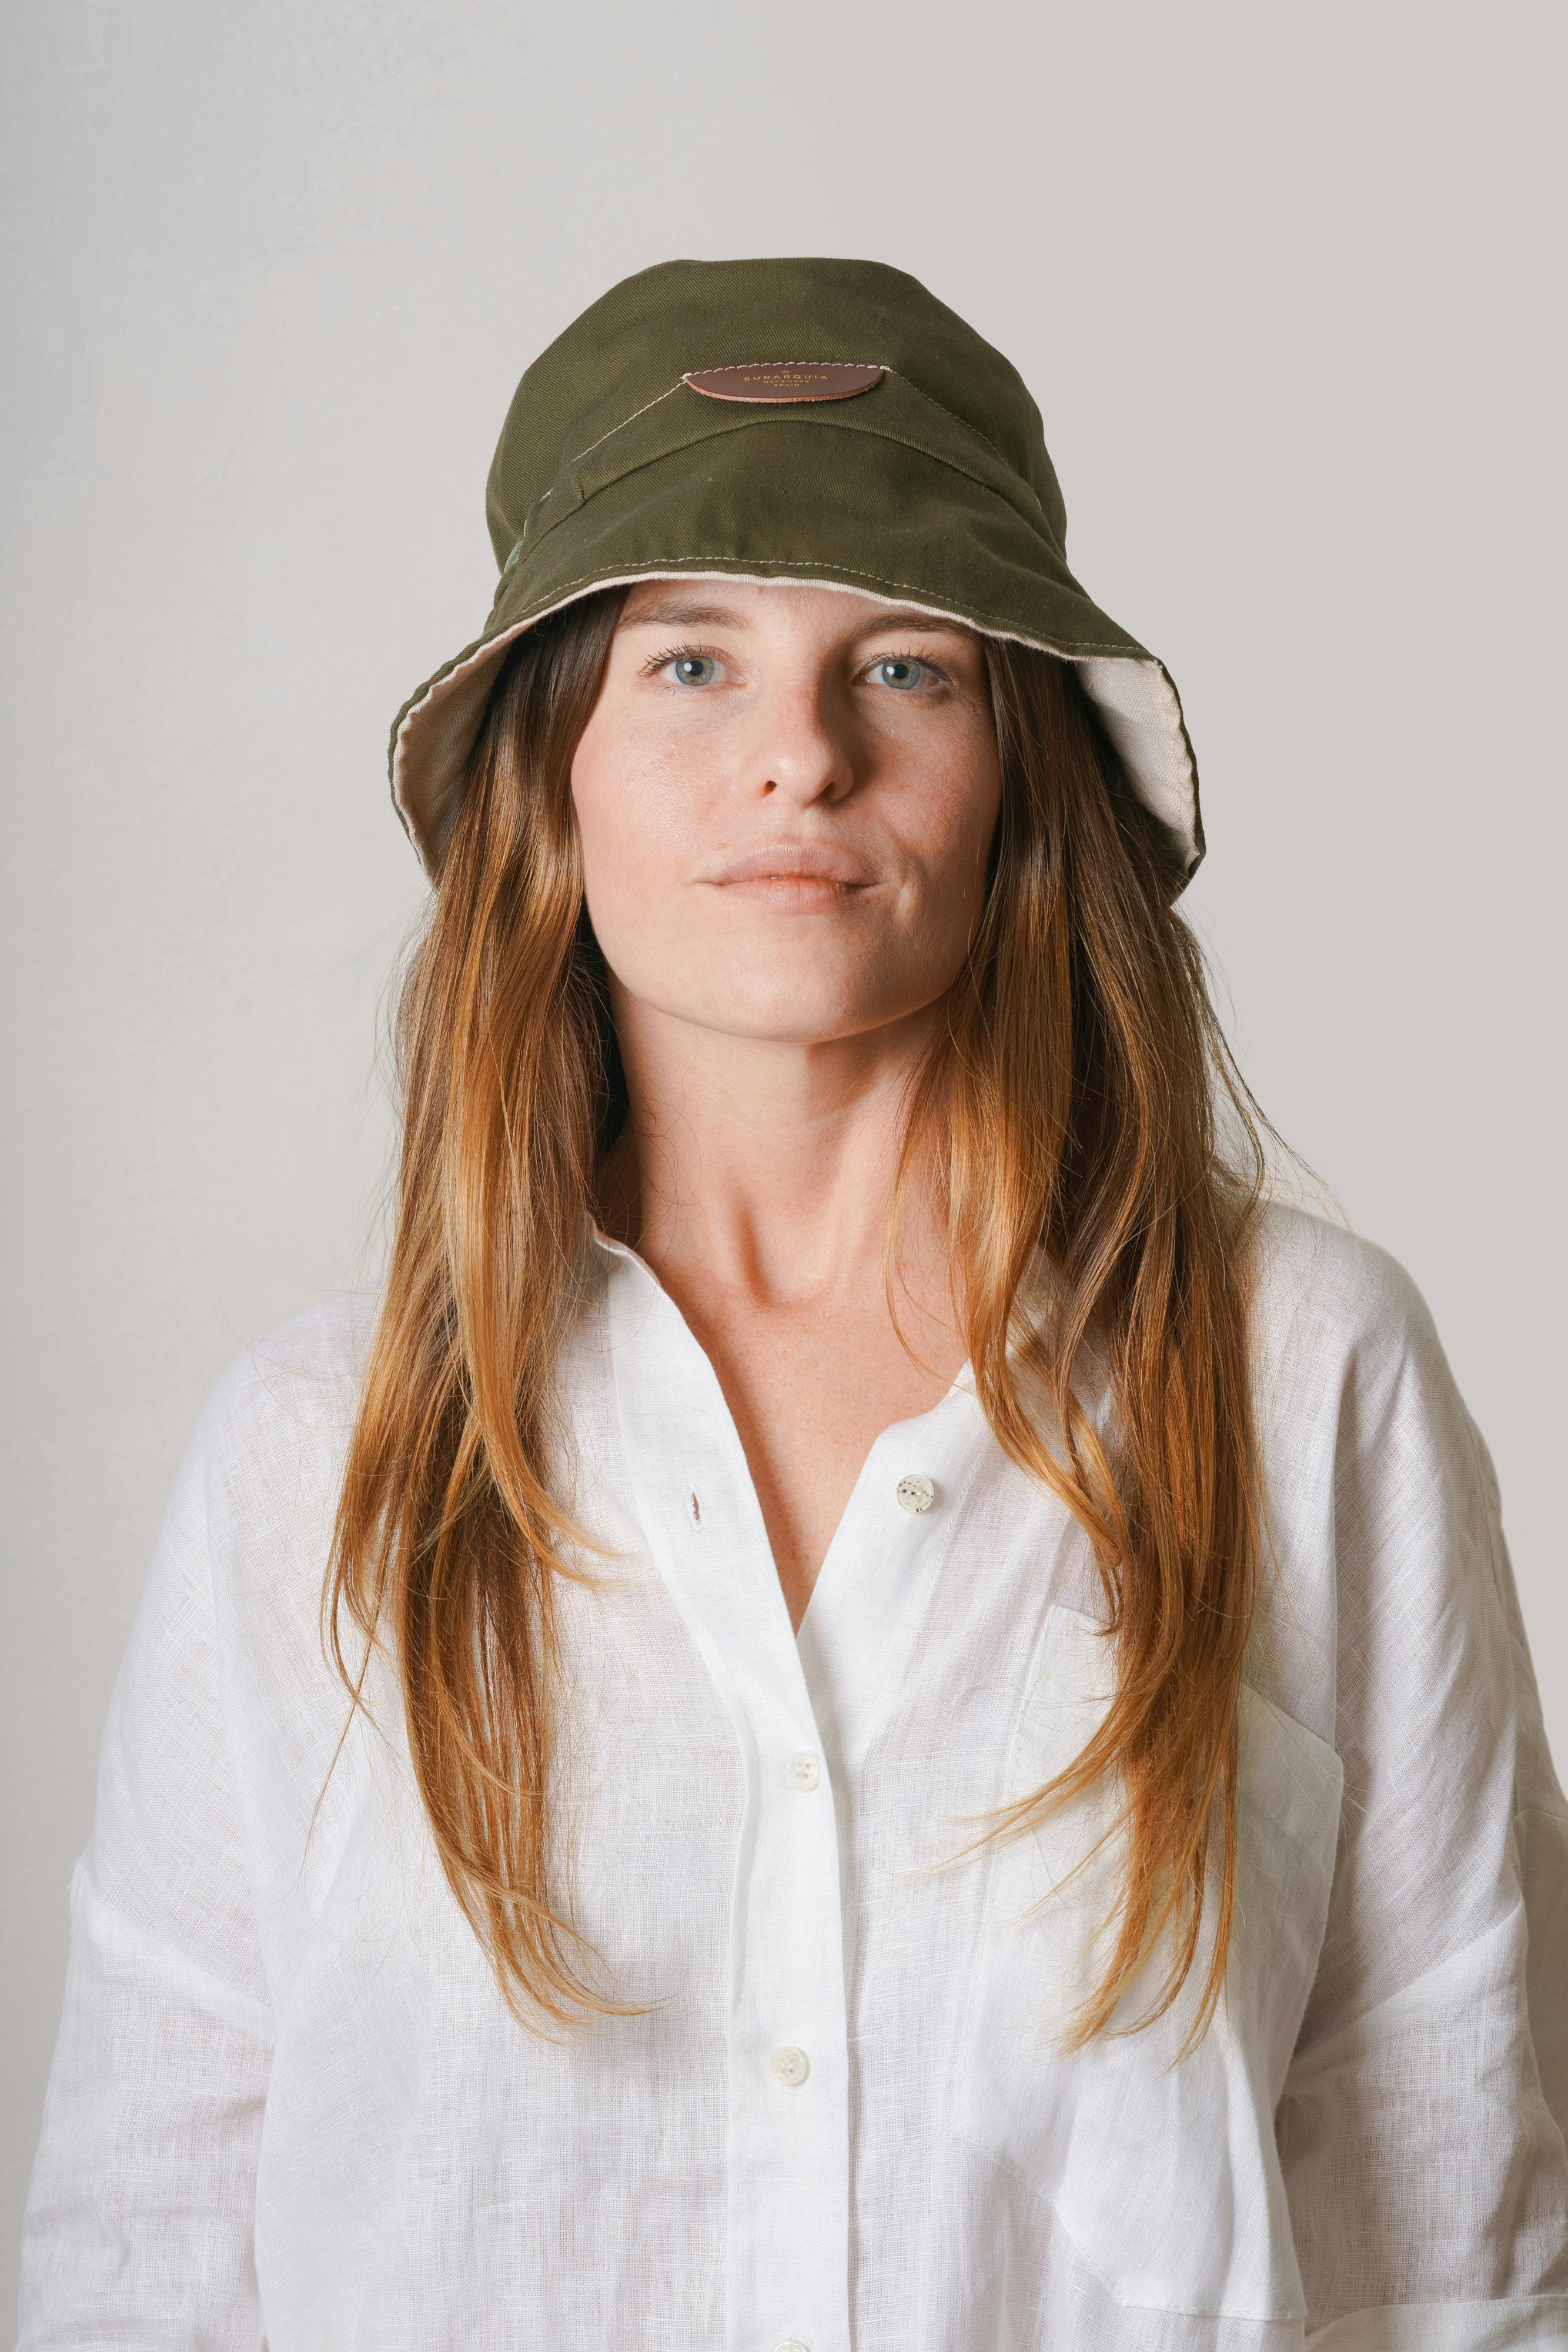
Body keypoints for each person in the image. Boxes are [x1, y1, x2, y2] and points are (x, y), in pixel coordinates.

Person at [18, 257, 1568, 2351]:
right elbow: (145, 2256)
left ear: (1020, 755)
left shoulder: (1297, 1376)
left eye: (905, 667)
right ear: (545, 764)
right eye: (687, 664)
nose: (799, 761)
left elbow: (1454, 2206)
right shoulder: (316, 1457)